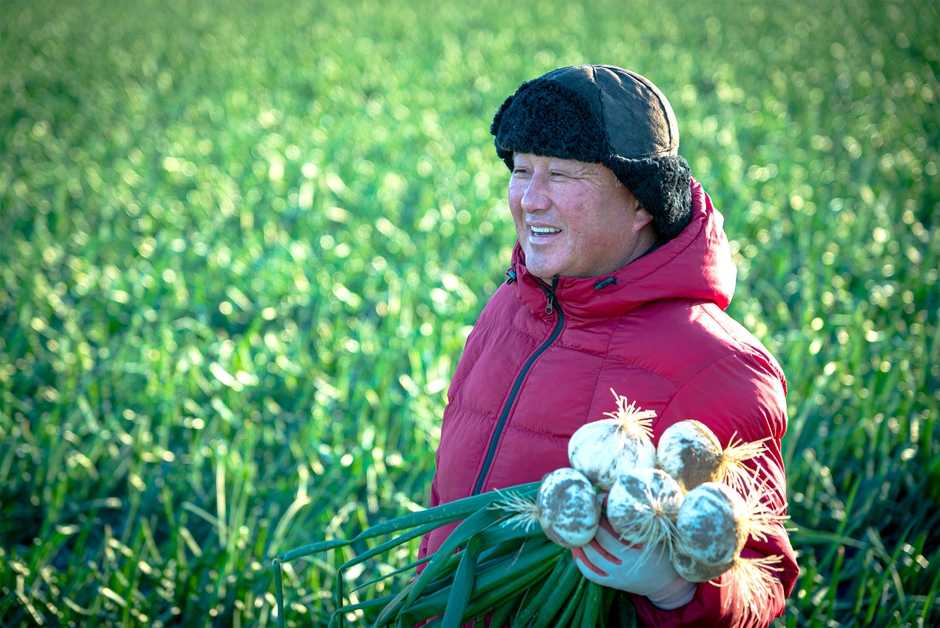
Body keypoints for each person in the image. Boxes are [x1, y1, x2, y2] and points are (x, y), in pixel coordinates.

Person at [418, 64, 798, 626]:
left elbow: (763, 579)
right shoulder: (512, 307)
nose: (530, 200)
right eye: (522, 170)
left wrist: (676, 589)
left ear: (642, 203)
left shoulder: (720, 367)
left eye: (564, 175)